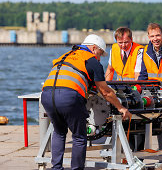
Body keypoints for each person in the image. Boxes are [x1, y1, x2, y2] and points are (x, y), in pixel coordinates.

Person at [41, 34, 132, 170]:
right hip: (68, 97)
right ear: (94, 48)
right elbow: (105, 92)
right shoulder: (92, 61)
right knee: (79, 136)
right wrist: (121, 108)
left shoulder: (66, 56)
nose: (99, 58)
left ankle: (56, 168)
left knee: (59, 132)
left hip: (47, 96)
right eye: (100, 53)